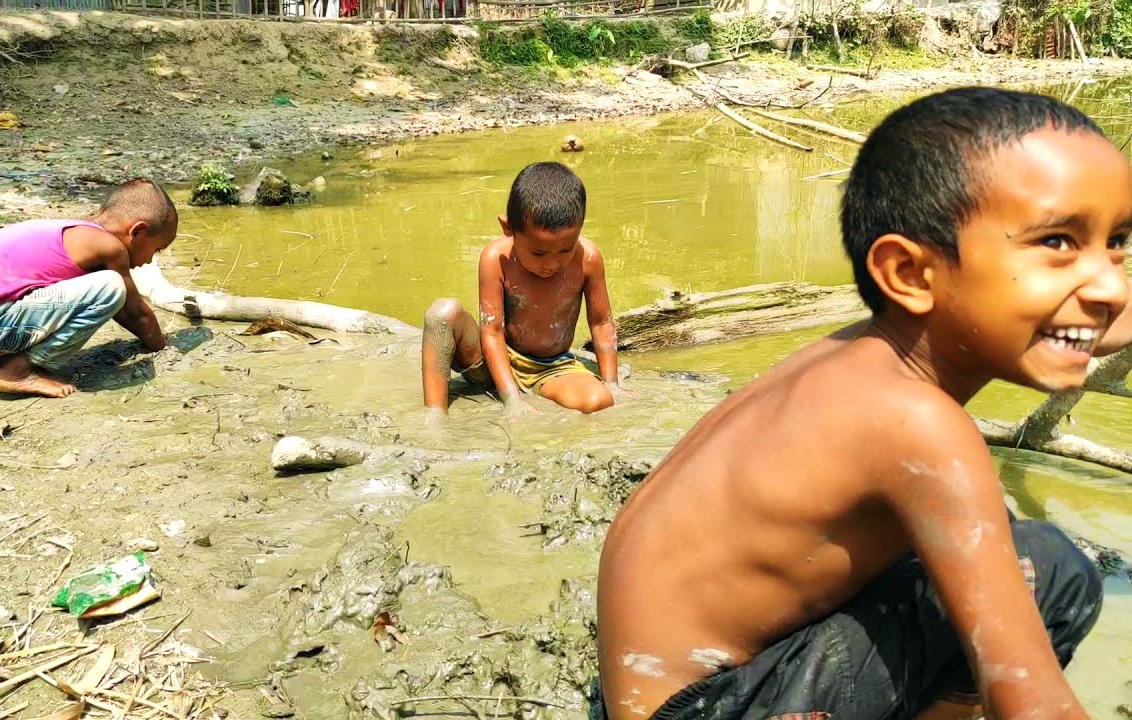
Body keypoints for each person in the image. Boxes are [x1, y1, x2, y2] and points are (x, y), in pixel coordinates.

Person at [595, 86, 1132, 720]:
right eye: (1058, 244)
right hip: (708, 709)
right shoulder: (920, 422)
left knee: (995, 542)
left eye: (1119, 241)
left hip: (650, 692)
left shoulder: (858, 359)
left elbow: (1110, 318)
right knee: (1052, 572)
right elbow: (1032, 703)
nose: (1108, 284)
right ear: (909, 274)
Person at [0, 178, 179, 398]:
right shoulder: (109, 247)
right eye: (156, 249)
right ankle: (21, 370)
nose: (149, 260)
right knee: (111, 287)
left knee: (58, 289)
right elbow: (134, 312)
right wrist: (163, 347)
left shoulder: (72, 231)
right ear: (137, 231)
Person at [421, 162, 622, 417]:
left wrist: (612, 383)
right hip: (494, 360)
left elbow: (601, 322)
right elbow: (491, 331)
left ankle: (534, 388)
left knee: (598, 399)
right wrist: (511, 399)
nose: (551, 264)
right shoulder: (496, 258)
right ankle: (434, 416)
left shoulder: (588, 257)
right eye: (538, 253)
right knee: (442, 313)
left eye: (565, 250)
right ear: (509, 230)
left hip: (550, 369)